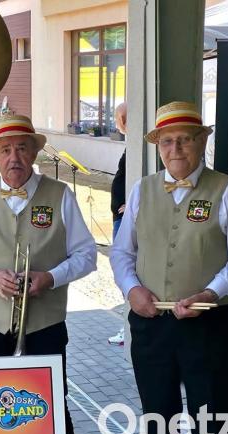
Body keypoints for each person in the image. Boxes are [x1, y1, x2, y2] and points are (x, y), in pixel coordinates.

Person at [110, 101, 228, 434]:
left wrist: (211, 293)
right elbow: (121, 252)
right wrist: (132, 290)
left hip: (209, 326)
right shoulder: (141, 190)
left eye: (185, 139)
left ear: (201, 142)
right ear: (158, 147)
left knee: (215, 428)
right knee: (159, 426)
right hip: (151, 327)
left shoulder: (227, 190)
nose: (175, 149)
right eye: (167, 141)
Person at [0, 115, 97, 434]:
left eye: (21, 148)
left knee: (52, 404)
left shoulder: (60, 195)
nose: (14, 157)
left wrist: (51, 277)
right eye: (5, 150)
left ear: (33, 153)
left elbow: (87, 255)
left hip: (46, 325)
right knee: (2, 411)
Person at [108, 102, 128, 346]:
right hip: (120, 218)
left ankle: (127, 327)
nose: (117, 123)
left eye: (117, 118)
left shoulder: (137, 146)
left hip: (124, 220)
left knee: (124, 272)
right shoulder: (130, 145)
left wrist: (131, 205)